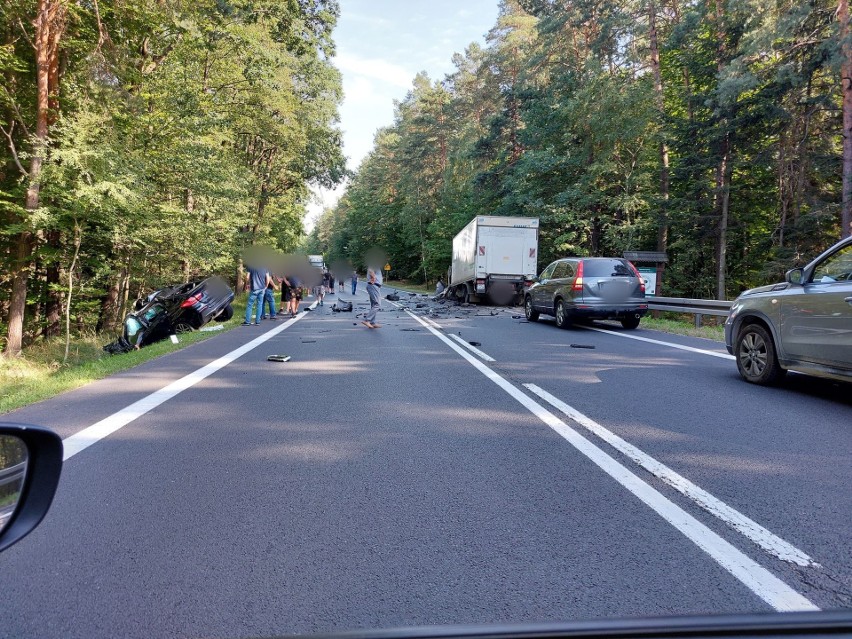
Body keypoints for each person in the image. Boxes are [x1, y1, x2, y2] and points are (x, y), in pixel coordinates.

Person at [362, 264, 382, 329]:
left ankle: (372, 322)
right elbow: (371, 270)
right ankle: (367, 320)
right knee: (377, 304)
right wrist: (374, 277)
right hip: (374, 286)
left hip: (373, 286)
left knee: (373, 305)